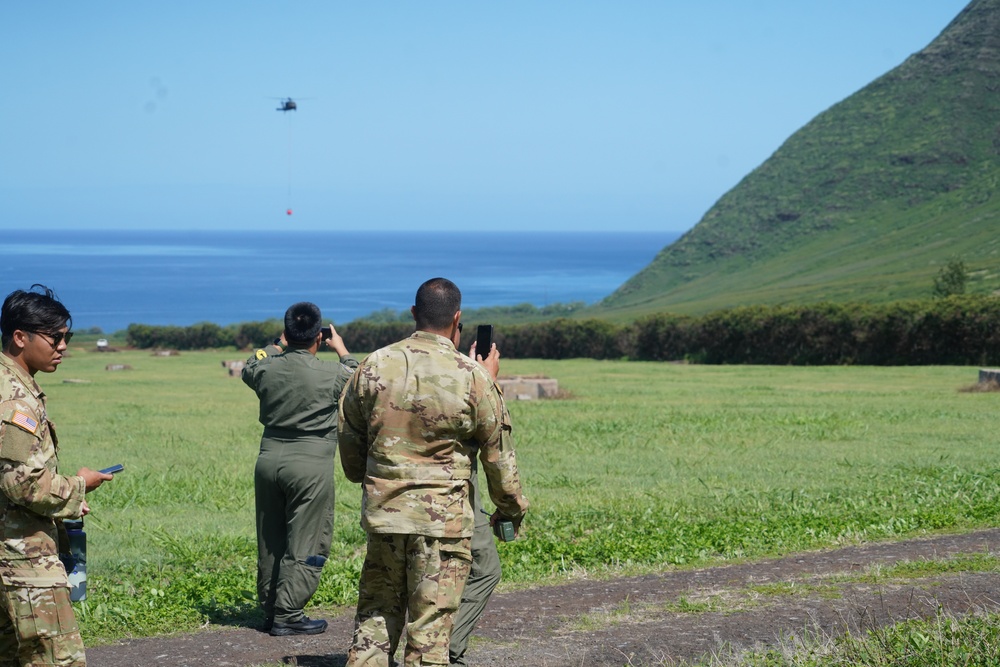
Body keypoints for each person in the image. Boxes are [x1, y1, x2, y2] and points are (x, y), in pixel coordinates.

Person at [339, 277, 529, 667]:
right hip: (442, 524)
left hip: (385, 516)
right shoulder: (474, 377)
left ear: (413, 313)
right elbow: (498, 457)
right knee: (429, 633)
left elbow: (349, 437)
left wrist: (365, 476)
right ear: (457, 319)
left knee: (375, 619)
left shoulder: (373, 365)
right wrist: (509, 509)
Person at [0, 285, 114, 667]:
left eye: (68, 336)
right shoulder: (14, 398)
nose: (63, 346)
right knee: (56, 660)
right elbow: (23, 483)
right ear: (20, 337)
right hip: (23, 558)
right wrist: (80, 485)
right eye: (56, 337)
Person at [241, 302, 358, 637]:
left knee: (271, 538)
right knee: (307, 538)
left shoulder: (265, 368)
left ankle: (271, 606)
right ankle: (288, 613)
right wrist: (342, 349)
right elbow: (359, 376)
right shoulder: (332, 373)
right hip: (310, 464)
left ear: (286, 332)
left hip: (268, 461)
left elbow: (252, 363)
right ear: (318, 337)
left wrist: (276, 345)